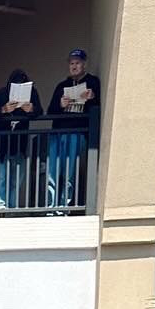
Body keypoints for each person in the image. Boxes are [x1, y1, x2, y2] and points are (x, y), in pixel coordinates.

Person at [46, 49, 100, 212]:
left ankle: (63, 207)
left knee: (69, 172)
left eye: (77, 63)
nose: (74, 66)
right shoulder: (62, 86)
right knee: (52, 172)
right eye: (71, 63)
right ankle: (51, 207)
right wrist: (60, 104)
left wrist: (92, 98)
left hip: (77, 132)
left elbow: (97, 108)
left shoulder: (92, 82)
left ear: (84, 65)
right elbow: (50, 111)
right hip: (58, 133)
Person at [0, 69, 38, 209]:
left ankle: (12, 206)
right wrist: (4, 109)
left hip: (20, 144)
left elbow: (39, 111)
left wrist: (31, 109)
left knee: (17, 179)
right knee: (2, 176)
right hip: (1, 144)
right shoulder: (2, 94)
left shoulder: (32, 93)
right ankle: (1, 204)